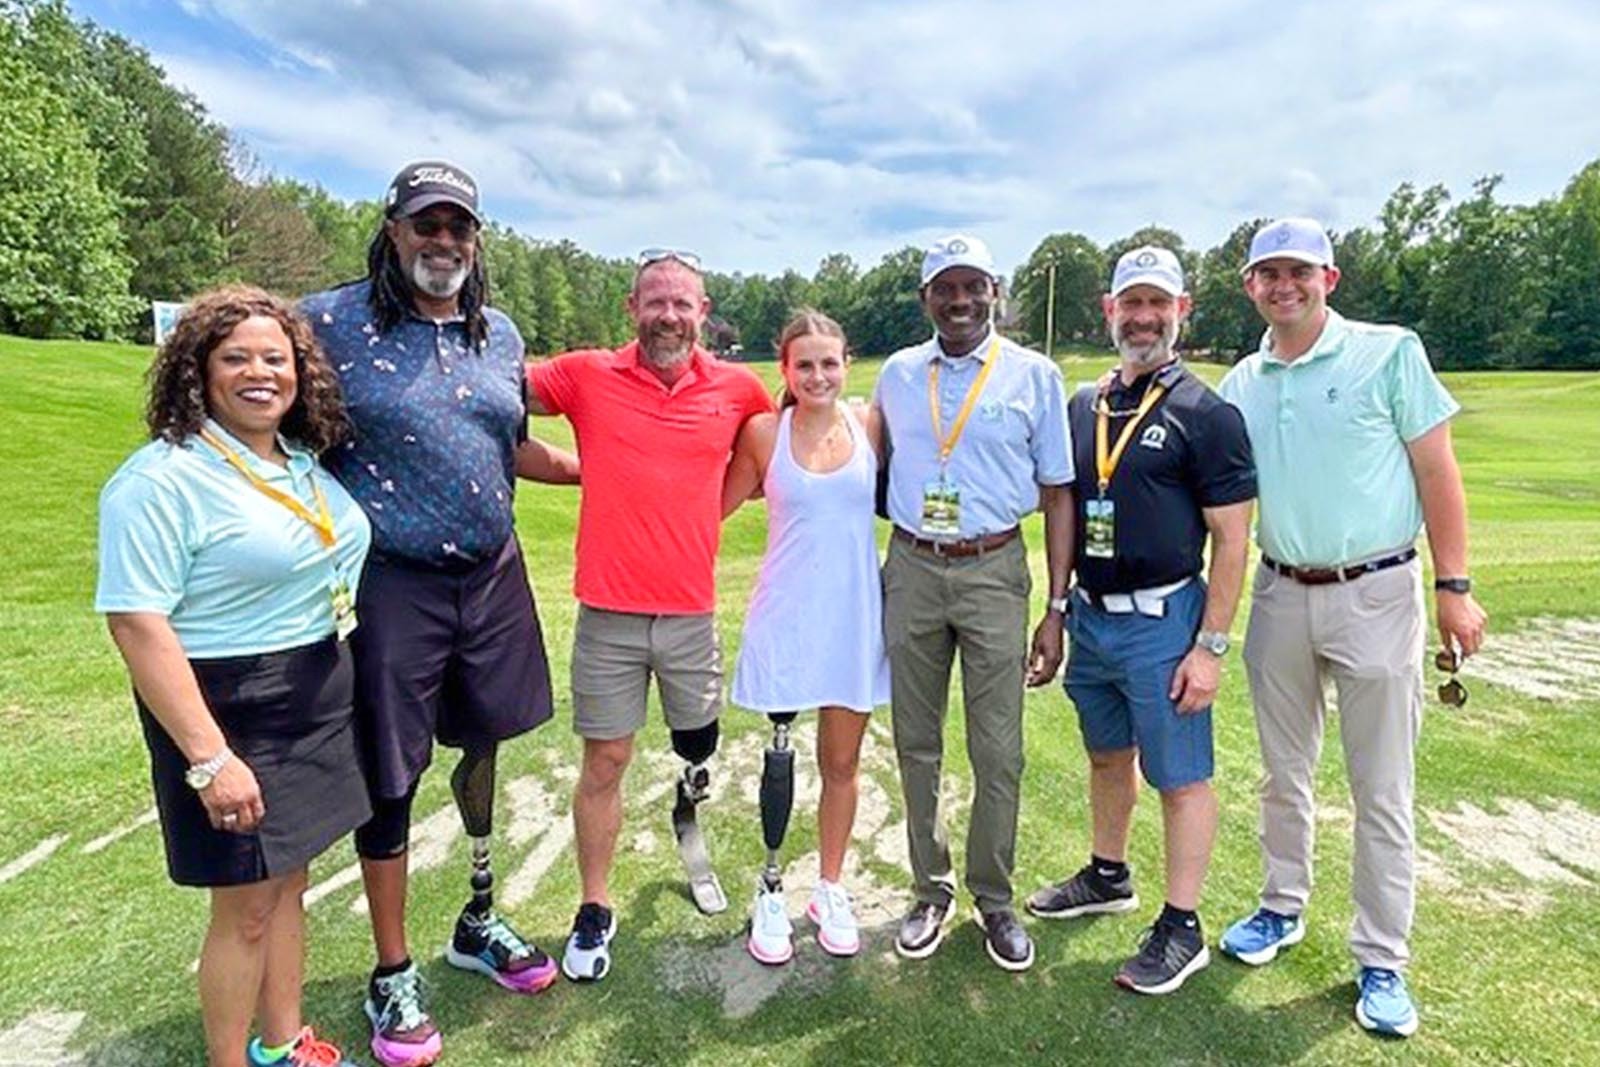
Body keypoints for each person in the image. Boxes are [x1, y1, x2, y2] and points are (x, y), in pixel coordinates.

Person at [301, 160, 577, 1067]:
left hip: (491, 574)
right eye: (427, 224)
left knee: (485, 737)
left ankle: (478, 918)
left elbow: (506, 442)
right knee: (392, 771)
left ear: (476, 240)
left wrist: (603, 473)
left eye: (459, 227)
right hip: (391, 580)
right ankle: (391, 968)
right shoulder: (327, 323)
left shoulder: (498, 332)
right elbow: (267, 413)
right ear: (393, 231)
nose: (444, 242)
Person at [1216, 217, 1489, 1037]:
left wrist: (1454, 586)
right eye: (1269, 273)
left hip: (1377, 589)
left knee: (1382, 787)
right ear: (1250, 286)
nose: (1284, 286)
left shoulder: (1389, 351)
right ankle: (1281, 905)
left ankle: (1381, 956)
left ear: (1328, 279)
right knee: (1282, 774)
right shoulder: (1243, 380)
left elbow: (1437, 468)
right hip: (1279, 590)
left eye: (1299, 271)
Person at [97, 286, 373, 1067]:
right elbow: (137, 623)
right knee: (245, 905)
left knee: (288, 882)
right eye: (236, 358)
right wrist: (209, 758)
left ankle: (283, 1043)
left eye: (276, 358)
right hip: (230, 709)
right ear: (198, 369)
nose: (260, 373)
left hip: (313, 690)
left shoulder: (299, 462)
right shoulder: (162, 478)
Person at [525, 248, 775, 981]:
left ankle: (685, 805)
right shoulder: (584, 373)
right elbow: (490, 389)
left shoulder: (738, 388)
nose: (669, 315)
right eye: (655, 302)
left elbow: (773, 455)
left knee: (698, 745)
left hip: (691, 616)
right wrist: (576, 469)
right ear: (632, 308)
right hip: (608, 615)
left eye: (682, 303)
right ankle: (595, 904)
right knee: (605, 761)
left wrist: (709, 511)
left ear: (703, 312)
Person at [1024, 247, 1256, 995]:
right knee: (1106, 755)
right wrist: (1056, 608)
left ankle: (1182, 926)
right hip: (1091, 618)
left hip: (1164, 619)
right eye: (1132, 303)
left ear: (1181, 310)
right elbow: (1062, 506)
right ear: (1110, 310)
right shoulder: (1085, 404)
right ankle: (1107, 874)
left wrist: (1210, 647)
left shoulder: (1206, 413)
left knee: (1179, 777)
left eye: (1159, 303)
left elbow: (1233, 539)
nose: (1144, 318)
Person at [873, 234, 1075, 972]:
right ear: (925, 297)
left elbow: (1059, 491)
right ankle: (930, 889)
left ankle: (994, 897)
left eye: (972, 286)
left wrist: (1057, 605)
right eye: (944, 289)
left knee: (998, 749)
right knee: (915, 741)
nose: (959, 301)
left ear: (994, 289)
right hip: (913, 565)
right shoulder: (898, 374)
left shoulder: (1034, 375)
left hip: (993, 567)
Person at [722, 309, 891, 965]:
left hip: (854, 617)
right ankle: (771, 888)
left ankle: (829, 887)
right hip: (785, 615)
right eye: (805, 365)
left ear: (846, 364)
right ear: (785, 369)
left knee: (842, 764)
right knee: (780, 757)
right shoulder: (765, 432)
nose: (818, 375)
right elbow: (712, 506)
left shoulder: (869, 423)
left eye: (829, 363)